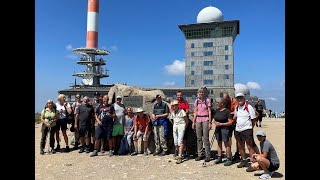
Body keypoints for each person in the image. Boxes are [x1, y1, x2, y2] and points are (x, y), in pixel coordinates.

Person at [233, 93, 257, 168]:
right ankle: (244, 160)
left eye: (240, 98)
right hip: (238, 129)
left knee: (249, 146)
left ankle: (251, 162)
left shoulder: (249, 107)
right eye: (238, 98)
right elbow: (235, 117)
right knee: (240, 145)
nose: (239, 99)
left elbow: (253, 119)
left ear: (244, 98)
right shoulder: (237, 107)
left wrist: (250, 127)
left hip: (247, 129)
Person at [192, 87, 212, 162]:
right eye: (200, 92)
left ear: (204, 93)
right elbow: (195, 112)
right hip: (198, 119)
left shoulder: (207, 101)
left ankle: (208, 155)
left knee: (206, 138)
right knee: (199, 138)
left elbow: (209, 112)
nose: (201, 93)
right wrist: (193, 122)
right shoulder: (196, 101)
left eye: (202, 92)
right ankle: (200, 154)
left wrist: (210, 122)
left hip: (205, 119)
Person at [212, 98, 233, 166]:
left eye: (218, 102)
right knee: (219, 142)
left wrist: (221, 124)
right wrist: (216, 122)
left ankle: (228, 158)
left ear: (222, 103)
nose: (216, 103)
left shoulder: (227, 111)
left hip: (225, 129)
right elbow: (214, 119)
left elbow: (230, 122)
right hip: (218, 129)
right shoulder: (217, 110)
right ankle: (219, 157)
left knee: (226, 143)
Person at [223, 93, 240, 162]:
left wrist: (229, 113)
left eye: (226, 100)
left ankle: (237, 153)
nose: (225, 102)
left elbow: (236, 112)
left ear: (228, 98)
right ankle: (229, 154)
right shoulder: (225, 103)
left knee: (237, 138)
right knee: (228, 138)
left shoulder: (235, 101)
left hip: (235, 122)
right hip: (228, 122)